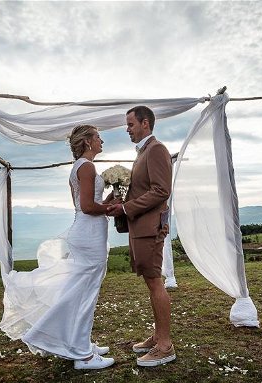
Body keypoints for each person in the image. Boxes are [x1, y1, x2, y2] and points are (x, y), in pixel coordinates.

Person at [0, 125, 115, 370]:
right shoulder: (87, 166)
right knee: (85, 294)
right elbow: (87, 207)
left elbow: (89, 204)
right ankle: (82, 356)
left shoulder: (78, 168)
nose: (101, 140)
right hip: (89, 232)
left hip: (87, 230)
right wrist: (113, 208)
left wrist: (108, 200)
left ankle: (79, 342)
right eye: (97, 137)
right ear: (86, 142)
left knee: (84, 292)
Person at [106, 105, 176, 366]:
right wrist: (118, 198)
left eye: (130, 124)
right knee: (150, 282)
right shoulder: (141, 153)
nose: (127, 129)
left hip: (150, 229)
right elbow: (142, 190)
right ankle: (158, 336)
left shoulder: (156, 150)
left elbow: (161, 191)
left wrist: (125, 207)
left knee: (155, 282)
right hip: (139, 228)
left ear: (145, 123)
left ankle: (166, 345)